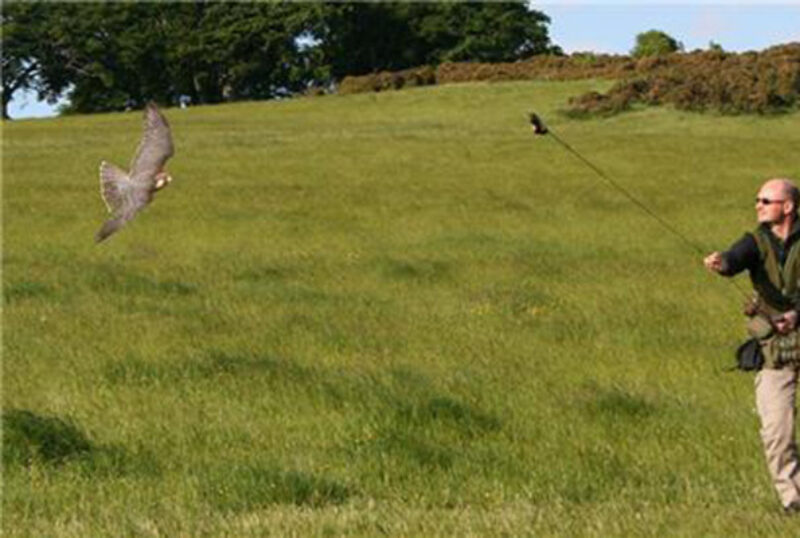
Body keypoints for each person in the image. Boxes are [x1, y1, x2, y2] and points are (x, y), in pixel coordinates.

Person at [704, 177, 800, 514]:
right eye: (757, 200)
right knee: (776, 431)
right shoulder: (754, 241)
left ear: (787, 207)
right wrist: (722, 262)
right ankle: (794, 501)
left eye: (765, 200)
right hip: (774, 350)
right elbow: (735, 258)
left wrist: (796, 315)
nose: (758, 205)